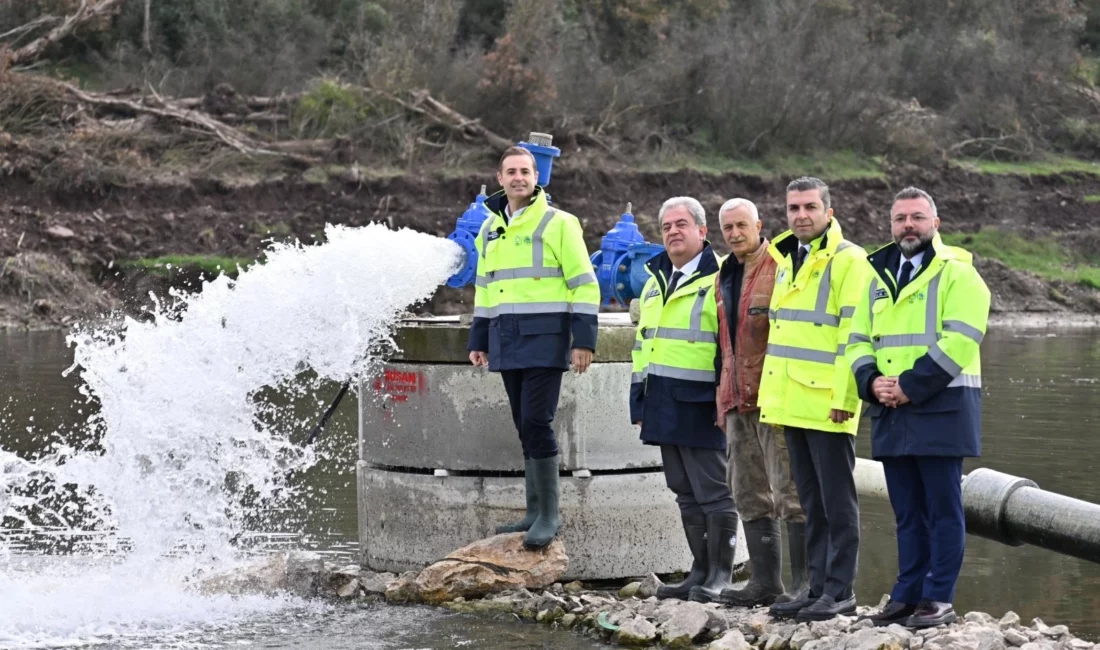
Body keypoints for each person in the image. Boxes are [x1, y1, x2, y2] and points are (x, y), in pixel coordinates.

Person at [848, 187, 990, 629]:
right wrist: (871, 383)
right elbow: (856, 340)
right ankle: (905, 596)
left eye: (917, 217)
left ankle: (938, 598)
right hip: (891, 409)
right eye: (900, 219)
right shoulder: (875, 275)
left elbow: (963, 338)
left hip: (940, 407)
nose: (908, 225)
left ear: (935, 223)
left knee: (942, 509)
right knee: (907, 512)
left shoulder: (958, 273)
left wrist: (910, 386)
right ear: (890, 225)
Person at [467, 146, 600, 549]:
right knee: (522, 423)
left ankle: (550, 515)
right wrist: (479, 338)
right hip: (506, 338)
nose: (519, 177)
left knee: (537, 421)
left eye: (525, 170)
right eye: (511, 171)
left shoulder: (559, 223)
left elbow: (584, 282)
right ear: (500, 177)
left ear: (536, 176)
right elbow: (485, 288)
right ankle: (533, 510)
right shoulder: (490, 228)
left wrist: (584, 341)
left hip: (546, 337)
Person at [760, 177, 869, 621]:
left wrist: (846, 396)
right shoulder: (788, 257)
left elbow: (854, 334)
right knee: (811, 502)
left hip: (829, 402)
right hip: (792, 400)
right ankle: (817, 587)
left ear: (829, 210)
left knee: (837, 503)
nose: (800, 215)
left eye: (809, 207)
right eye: (793, 208)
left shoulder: (849, 260)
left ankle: (840, 591)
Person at [630, 197, 738, 603]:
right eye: (666, 227)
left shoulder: (721, 278)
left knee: (715, 491)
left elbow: (730, 346)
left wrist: (725, 400)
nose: (673, 232)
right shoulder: (654, 280)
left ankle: (721, 577)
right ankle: (700, 570)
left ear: (702, 231)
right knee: (683, 489)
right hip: (661, 400)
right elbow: (643, 347)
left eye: (681, 224)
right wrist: (637, 401)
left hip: (703, 403)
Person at [710, 198, 808, 608]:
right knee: (747, 491)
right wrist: (722, 399)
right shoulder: (723, 275)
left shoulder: (780, 267)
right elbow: (724, 344)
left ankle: (806, 585)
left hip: (774, 399)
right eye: (728, 227)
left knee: (791, 492)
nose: (734, 233)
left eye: (741, 225)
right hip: (735, 401)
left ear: (759, 225)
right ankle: (765, 583)